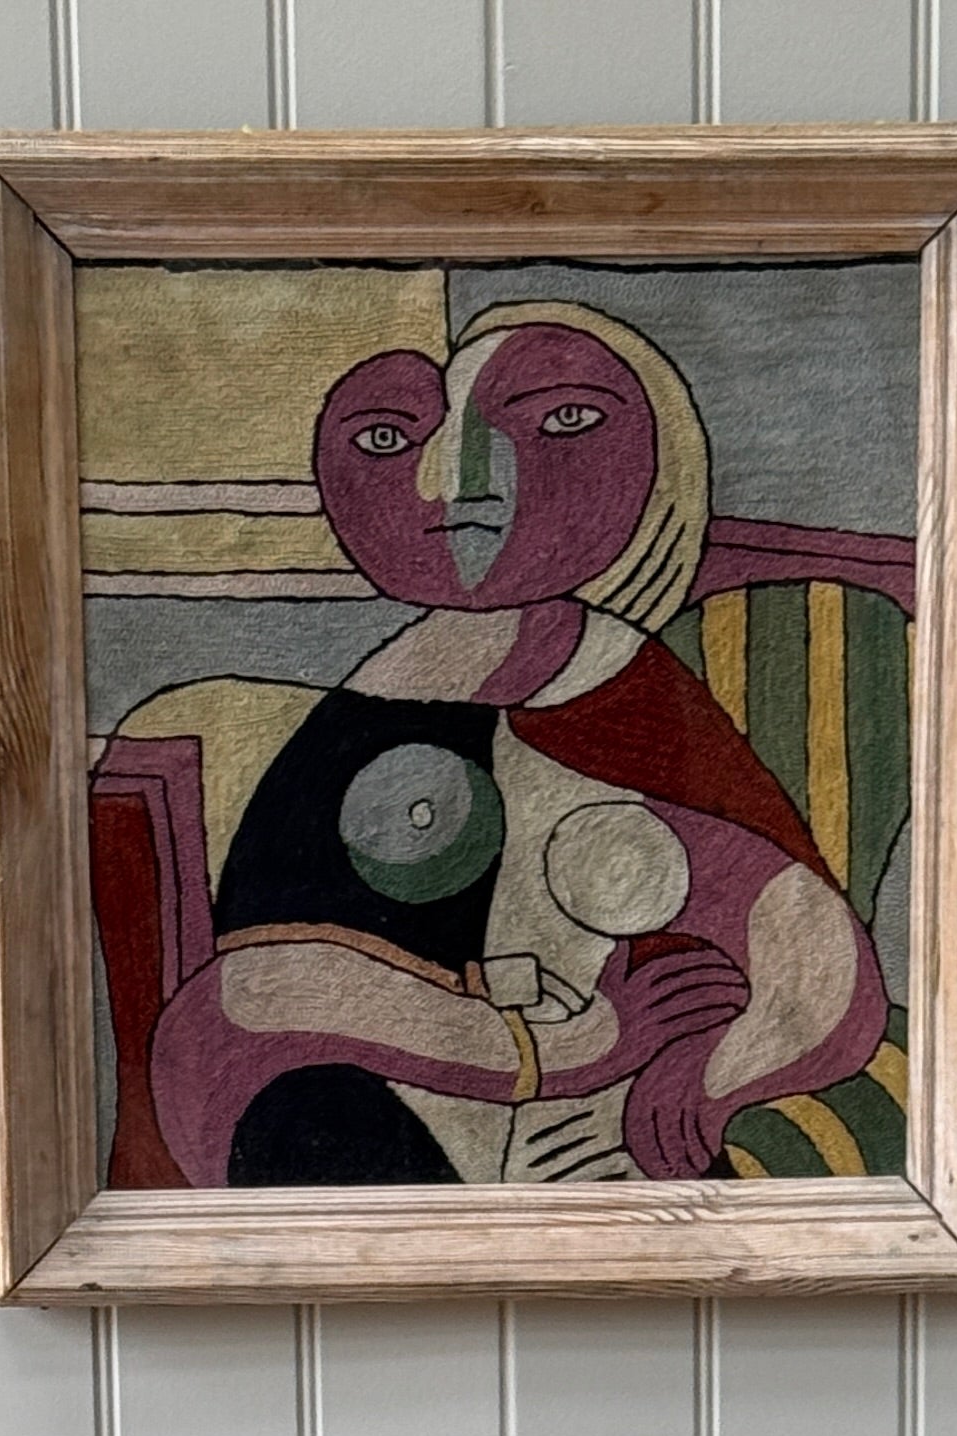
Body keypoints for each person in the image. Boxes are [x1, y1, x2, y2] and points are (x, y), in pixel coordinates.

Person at [118, 305, 891, 1189]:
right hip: (370, 1127)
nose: (456, 485)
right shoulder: (367, 708)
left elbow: (815, 961)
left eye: (560, 422)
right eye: (386, 438)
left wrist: (709, 1080)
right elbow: (247, 1003)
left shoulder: (622, 694)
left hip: (585, 1151)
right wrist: (558, 1048)